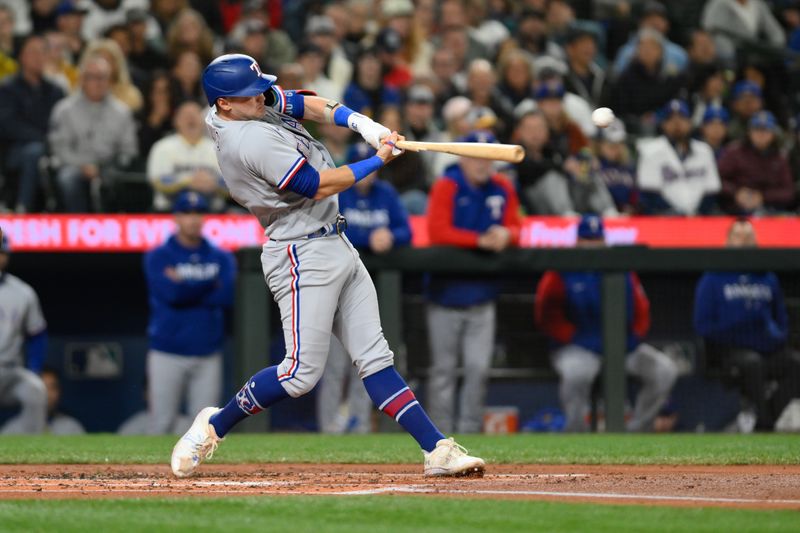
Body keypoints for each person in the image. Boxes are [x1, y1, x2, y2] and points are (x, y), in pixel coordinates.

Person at [170, 53, 484, 478]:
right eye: (250, 94)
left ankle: (437, 450)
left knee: (376, 358)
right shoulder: (247, 141)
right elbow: (316, 186)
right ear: (225, 103)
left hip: (334, 241)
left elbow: (309, 105)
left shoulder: (250, 104)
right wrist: (379, 160)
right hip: (299, 254)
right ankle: (215, 424)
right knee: (300, 375)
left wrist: (365, 126)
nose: (262, 97)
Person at [535, 215, 679, 432]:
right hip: (578, 347)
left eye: (596, 239)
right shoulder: (561, 269)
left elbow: (642, 311)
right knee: (577, 373)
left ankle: (638, 431)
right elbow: (545, 315)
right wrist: (574, 337)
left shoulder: (621, 268)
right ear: (577, 241)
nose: (592, 245)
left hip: (622, 347)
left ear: (604, 240)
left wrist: (631, 339)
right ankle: (575, 434)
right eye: (586, 240)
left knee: (664, 370)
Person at [425, 130, 522, 433]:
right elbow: (437, 231)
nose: (483, 164)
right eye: (477, 157)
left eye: (489, 157)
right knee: (443, 372)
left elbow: (518, 226)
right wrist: (478, 240)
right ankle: (439, 438)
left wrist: (507, 234)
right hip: (445, 295)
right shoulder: (447, 185)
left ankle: (468, 434)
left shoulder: (502, 187)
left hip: (482, 296)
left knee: (478, 370)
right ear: (463, 157)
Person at [317, 142, 412, 434]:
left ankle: (359, 427)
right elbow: (327, 228)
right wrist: (370, 236)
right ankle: (329, 429)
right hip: (335, 289)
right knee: (333, 368)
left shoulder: (386, 193)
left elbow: (406, 231)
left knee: (365, 364)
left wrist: (390, 236)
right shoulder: (338, 191)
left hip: (369, 291)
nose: (367, 174)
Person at [143, 191, 237, 435]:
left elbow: (225, 296)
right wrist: (208, 283)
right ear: (176, 217)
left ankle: (199, 474)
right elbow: (172, 295)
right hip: (167, 351)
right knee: (161, 424)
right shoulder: (158, 256)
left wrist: (184, 283)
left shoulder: (222, 257)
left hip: (208, 352)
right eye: (187, 213)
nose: (193, 219)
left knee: (205, 428)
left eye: (198, 213)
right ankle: (156, 474)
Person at [694, 219, 800, 431]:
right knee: (752, 363)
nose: (744, 242)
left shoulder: (768, 278)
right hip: (731, 352)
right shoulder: (713, 277)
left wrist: (775, 336)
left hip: (767, 350)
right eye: (738, 236)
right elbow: (702, 324)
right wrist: (736, 330)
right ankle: (764, 421)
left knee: (795, 363)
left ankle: (764, 420)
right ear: (727, 242)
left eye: (749, 237)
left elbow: (782, 321)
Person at [48, 54, 138, 212]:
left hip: (109, 167)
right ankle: (78, 229)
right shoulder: (64, 110)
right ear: (82, 79)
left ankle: (115, 231)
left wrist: (108, 167)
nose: (97, 82)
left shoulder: (122, 112)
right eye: (91, 77)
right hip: (75, 166)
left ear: (109, 80)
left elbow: (129, 150)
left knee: (123, 180)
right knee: (68, 178)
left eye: (102, 77)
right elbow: (60, 149)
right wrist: (84, 166)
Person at [0, 35, 65, 213]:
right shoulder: (7, 89)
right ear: (21, 56)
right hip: (14, 151)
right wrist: (43, 139)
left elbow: (63, 122)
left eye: (43, 52)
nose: (38, 57)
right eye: (32, 52)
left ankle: (62, 214)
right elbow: (8, 125)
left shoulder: (56, 91)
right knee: (34, 152)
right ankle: (23, 208)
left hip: (53, 148)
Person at [637, 99, 721, 215]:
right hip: (663, 218)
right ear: (663, 124)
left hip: (700, 218)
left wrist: (698, 214)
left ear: (690, 123)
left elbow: (712, 190)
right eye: (670, 119)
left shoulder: (704, 150)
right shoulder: (650, 151)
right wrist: (677, 215)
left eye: (681, 118)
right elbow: (649, 192)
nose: (677, 123)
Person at [0, 233, 48, 435]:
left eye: (2, 252)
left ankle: (33, 455)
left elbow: (37, 334)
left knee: (35, 390)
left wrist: (34, 368)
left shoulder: (22, 292)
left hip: (10, 370)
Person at [147, 100, 226, 212]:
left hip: (212, 212)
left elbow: (232, 186)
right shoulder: (162, 147)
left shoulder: (219, 149)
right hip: (168, 211)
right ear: (176, 121)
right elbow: (158, 182)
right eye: (186, 116)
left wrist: (214, 183)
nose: (191, 119)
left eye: (195, 115)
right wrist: (188, 182)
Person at [717, 111, 795, 215]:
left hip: (770, 210)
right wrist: (736, 192)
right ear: (749, 132)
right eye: (757, 129)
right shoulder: (734, 152)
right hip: (733, 208)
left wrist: (763, 196)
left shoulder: (779, 157)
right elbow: (716, 180)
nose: (761, 134)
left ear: (773, 134)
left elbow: (788, 191)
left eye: (766, 130)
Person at [3, 368, 85, 435]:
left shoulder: (72, 427)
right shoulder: (12, 429)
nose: (47, 394)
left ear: (59, 392)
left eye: (52, 388)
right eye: (41, 389)